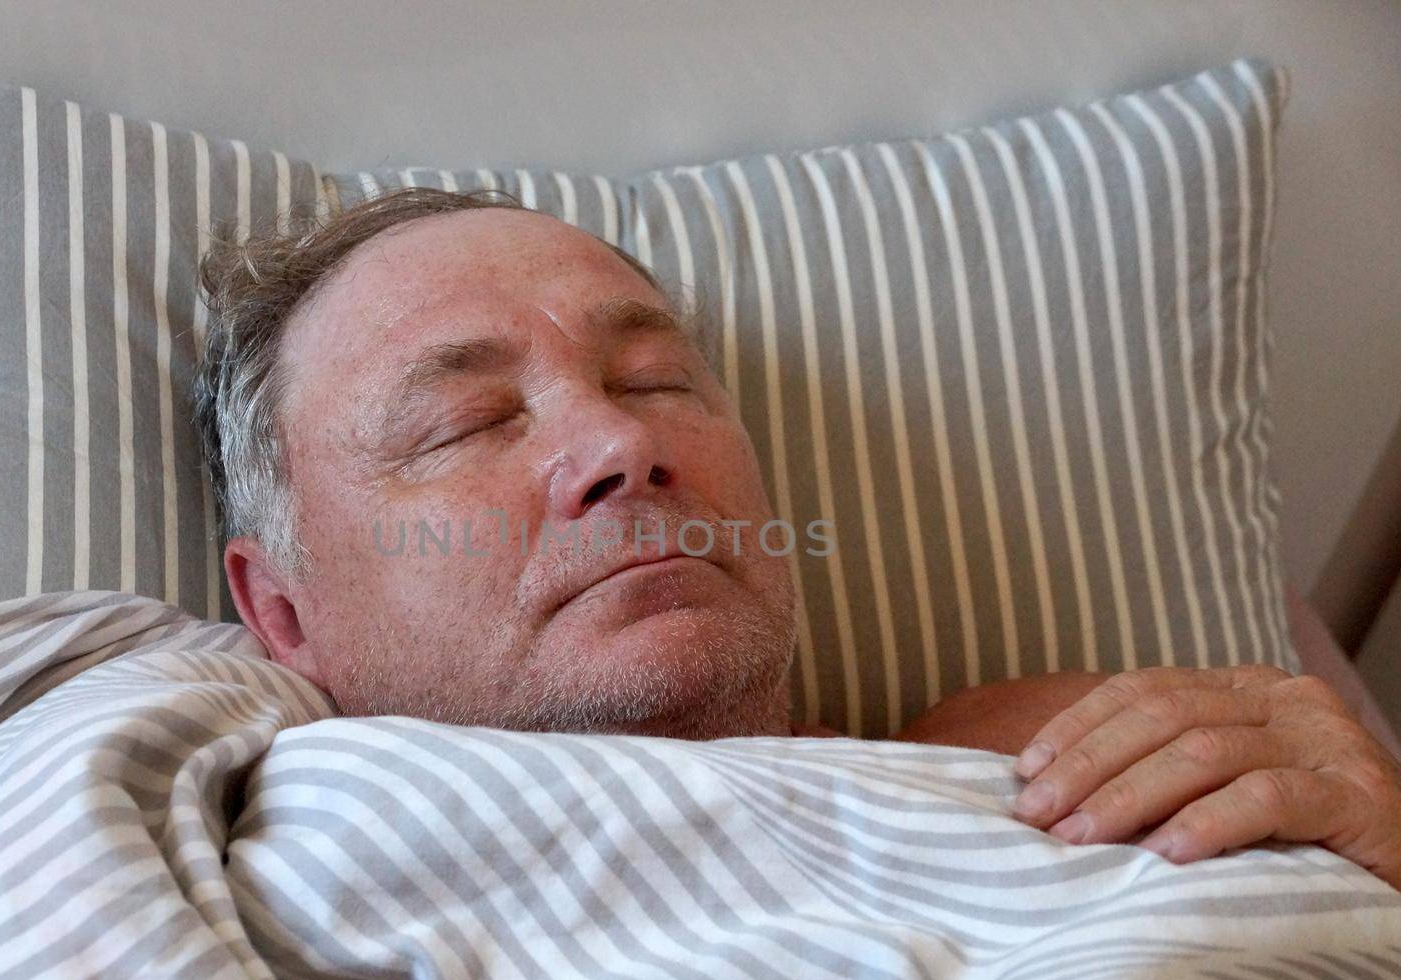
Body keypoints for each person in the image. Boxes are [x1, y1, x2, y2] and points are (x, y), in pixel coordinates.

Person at [194, 187, 1401, 890]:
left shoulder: (1062, 752)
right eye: (470, 419)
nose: (619, 443)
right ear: (284, 612)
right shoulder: (209, 854)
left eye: (659, 380)